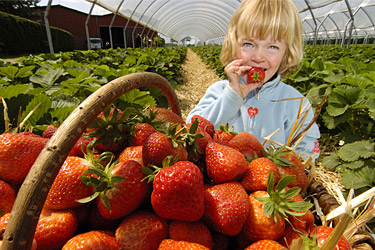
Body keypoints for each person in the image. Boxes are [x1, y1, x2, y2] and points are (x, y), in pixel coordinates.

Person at [186, 0, 320, 160]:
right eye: (248, 44)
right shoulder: (219, 91)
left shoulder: (296, 103)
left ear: (287, 52)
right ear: (233, 45)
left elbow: (307, 151)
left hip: (271, 182)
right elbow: (192, 131)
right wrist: (232, 96)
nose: (258, 57)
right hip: (223, 181)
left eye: (272, 47)